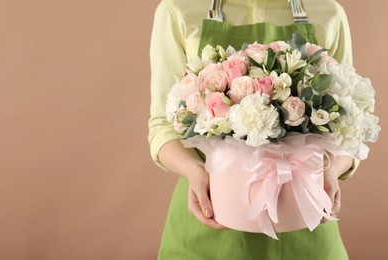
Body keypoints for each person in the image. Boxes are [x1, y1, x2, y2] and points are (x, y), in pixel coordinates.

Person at [148, 0, 359, 259]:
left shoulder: (328, 12)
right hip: (212, 217)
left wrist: (332, 171)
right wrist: (193, 171)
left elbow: (350, 122)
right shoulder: (178, 9)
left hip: (303, 220)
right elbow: (163, 124)